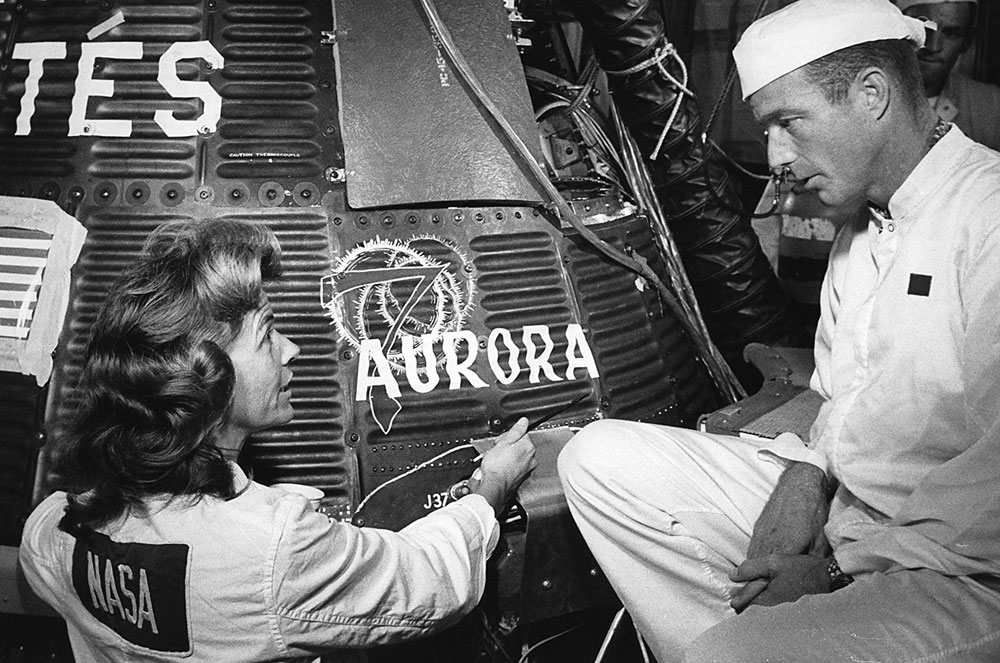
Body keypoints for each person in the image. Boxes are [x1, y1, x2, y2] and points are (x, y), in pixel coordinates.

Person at [558, 0, 1000, 661]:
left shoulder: (987, 216)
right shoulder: (863, 224)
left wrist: (833, 575)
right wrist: (806, 476)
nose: (776, 157)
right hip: (851, 511)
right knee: (596, 458)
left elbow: (990, 500)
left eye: (788, 122)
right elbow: (839, 395)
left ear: (872, 95)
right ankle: (741, 639)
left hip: (962, 570)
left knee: (731, 656)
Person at [18, 218, 537, 662]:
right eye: (267, 334)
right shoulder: (275, 549)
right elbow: (428, 581)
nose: (290, 350)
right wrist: (490, 489)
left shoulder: (53, 529)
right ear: (205, 378)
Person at [897, 0, 1000, 151]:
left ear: (966, 42)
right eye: (925, 28)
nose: (933, 46)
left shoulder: (990, 105)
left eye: (951, 33)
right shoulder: (865, 92)